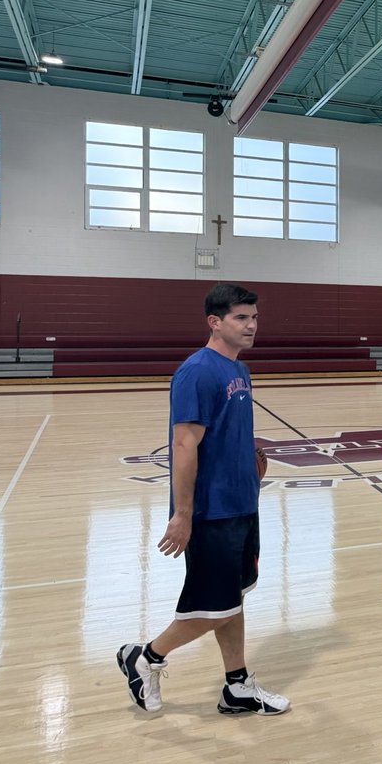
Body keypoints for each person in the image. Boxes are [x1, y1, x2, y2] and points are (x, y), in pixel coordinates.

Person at [116, 283, 289, 716]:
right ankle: (146, 657)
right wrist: (183, 513)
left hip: (243, 503)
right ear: (215, 322)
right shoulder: (197, 372)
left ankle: (237, 686)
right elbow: (183, 446)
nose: (251, 326)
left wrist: (249, 467)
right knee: (211, 607)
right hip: (212, 513)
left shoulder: (239, 371)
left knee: (232, 601)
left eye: (254, 318)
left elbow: (233, 435)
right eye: (241, 318)